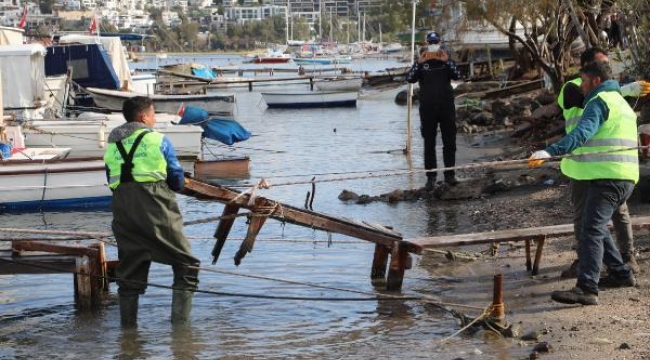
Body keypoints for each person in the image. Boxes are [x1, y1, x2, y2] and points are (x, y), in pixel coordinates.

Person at [529, 61, 638, 305]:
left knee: (590, 230)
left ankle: (587, 287)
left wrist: (550, 151)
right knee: (597, 228)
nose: (582, 87)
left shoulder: (599, 102)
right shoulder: (621, 102)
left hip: (608, 177)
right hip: (625, 178)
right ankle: (621, 274)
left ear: (596, 80)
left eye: (584, 81)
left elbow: (581, 133)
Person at [104, 96, 200, 327]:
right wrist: (177, 186)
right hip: (155, 204)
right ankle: (181, 332)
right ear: (143, 116)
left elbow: (110, 177)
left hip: (123, 208)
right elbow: (176, 177)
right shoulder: (158, 140)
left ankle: (128, 334)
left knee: (130, 268)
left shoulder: (112, 143)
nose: (155, 118)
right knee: (186, 264)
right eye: (153, 113)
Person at [556, 47, 639, 277]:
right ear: (589, 68)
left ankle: (626, 259)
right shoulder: (572, 87)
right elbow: (585, 99)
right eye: (601, 64)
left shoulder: (609, 93)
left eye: (607, 64)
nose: (607, 69)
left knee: (615, 216)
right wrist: (624, 89)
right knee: (586, 219)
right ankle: (588, 261)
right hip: (581, 165)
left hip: (606, 167)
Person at [406, 31, 462, 190]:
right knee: (429, 144)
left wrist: (447, 60)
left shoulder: (446, 61)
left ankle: (450, 175)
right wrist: (418, 62)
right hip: (427, 109)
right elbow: (409, 78)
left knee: (449, 141)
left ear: (440, 42)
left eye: (435, 42)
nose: (433, 45)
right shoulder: (422, 62)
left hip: (446, 106)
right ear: (427, 43)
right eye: (430, 42)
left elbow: (458, 76)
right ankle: (431, 178)